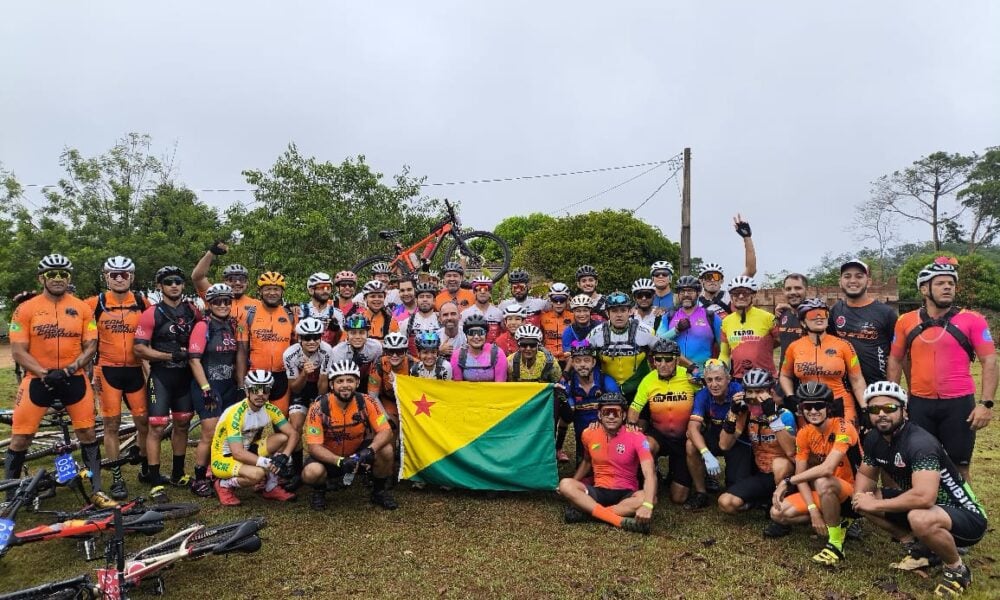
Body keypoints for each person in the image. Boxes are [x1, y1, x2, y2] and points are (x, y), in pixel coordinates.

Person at [852, 382, 988, 596]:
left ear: (904, 411)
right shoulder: (873, 439)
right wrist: (861, 497)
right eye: (874, 409)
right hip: (930, 507)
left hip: (966, 516)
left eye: (889, 408)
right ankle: (919, 548)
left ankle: (957, 569)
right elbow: (866, 474)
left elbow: (925, 497)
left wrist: (876, 504)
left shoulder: (920, 443)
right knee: (863, 499)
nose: (881, 414)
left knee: (919, 516)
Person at [6, 254, 112, 507]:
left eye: (63, 274)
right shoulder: (25, 309)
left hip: (72, 379)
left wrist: (70, 368)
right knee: (21, 437)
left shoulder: (83, 308)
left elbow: (91, 345)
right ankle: (10, 496)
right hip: (37, 380)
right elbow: (18, 351)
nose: (57, 278)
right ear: (41, 278)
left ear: (69, 278)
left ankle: (97, 489)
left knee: (87, 432)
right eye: (51, 274)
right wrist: (44, 373)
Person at [887, 258, 996, 482]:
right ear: (924, 289)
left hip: (959, 405)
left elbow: (990, 361)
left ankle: (964, 514)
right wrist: (894, 401)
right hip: (919, 404)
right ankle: (925, 510)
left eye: (951, 283)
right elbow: (895, 360)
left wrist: (986, 404)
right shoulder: (905, 321)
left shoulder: (972, 319)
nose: (948, 287)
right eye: (940, 283)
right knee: (920, 463)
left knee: (959, 467)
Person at [769, 382, 862, 561]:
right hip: (824, 492)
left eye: (818, 406)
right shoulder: (804, 433)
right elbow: (802, 476)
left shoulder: (844, 427)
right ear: (801, 409)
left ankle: (835, 544)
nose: (813, 411)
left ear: (828, 408)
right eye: (807, 407)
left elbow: (827, 468)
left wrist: (788, 481)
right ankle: (837, 522)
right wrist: (813, 511)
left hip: (853, 492)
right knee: (778, 513)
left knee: (823, 480)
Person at [85, 255, 149, 500]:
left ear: (131, 277)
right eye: (114, 274)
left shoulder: (143, 302)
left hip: (135, 371)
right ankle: (116, 477)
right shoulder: (95, 303)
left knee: (143, 422)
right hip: (107, 370)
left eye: (124, 274)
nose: (119, 278)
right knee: (111, 426)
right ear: (106, 277)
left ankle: (145, 466)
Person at [134, 266, 201, 488]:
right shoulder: (152, 312)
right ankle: (154, 479)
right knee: (157, 427)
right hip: (162, 376)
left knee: (182, 424)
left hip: (185, 377)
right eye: (168, 282)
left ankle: (178, 473)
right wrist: (168, 355)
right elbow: (140, 349)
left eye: (178, 282)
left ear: (183, 285)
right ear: (159, 286)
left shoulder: (192, 311)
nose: (174, 285)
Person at [302, 360, 397, 510]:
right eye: (340, 381)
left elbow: (386, 431)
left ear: (357, 382)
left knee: (386, 450)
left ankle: (379, 491)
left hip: (358, 455)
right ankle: (319, 491)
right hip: (330, 457)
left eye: (350, 380)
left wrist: (370, 450)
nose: (345, 385)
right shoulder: (318, 408)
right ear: (332, 385)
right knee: (311, 472)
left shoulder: (367, 401)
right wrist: (339, 461)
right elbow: (314, 447)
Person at [557, 393, 656, 534]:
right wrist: (574, 482)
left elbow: (649, 473)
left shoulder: (637, 437)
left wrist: (647, 505)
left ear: (623, 416)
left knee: (649, 498)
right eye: (606, 412)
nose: (610, 416)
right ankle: (617, 520)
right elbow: (586, 461)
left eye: (615, 412)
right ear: (599, 415)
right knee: (566, 484)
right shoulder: (588, 434)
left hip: (626, 493)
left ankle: (590, 513)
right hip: (598, 491)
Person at [717, 368, 796, 530]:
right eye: (749, 392)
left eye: (759, 391)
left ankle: (782, 517)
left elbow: (790, 451)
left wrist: (772, 417)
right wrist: (732, 414)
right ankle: (762, 500)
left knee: (779, 464)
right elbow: (724, 445)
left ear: (770, 392)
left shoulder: (784, 414)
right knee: (726, 503)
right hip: (761, 473)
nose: (753, 397)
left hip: (786, 475)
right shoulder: (746, 414)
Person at [187, 283, 245, 497]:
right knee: (209, 433)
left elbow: (238, 356)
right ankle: (199, 478)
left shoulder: (232, 324)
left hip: (228, 385)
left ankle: (218, 471)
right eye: (217, 301)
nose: (222, 305)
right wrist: (205, 388)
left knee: (228, 432)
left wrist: (240, 386)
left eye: (226, 301)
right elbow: (193, 360)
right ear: (209, 303)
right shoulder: (203, 326)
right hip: (208, 386)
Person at [210, 370, 299, 506]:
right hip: (224, 458)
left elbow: (293, 433)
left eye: (265, 390)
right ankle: (223, 484)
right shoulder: (236, 414)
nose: (260, 394)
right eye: (255, 390)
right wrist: (268, 463)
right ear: (247, 392)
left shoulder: (270, 409)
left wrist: (284, 457)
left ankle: (270, 487)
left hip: (247, 451)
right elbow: (238, 453)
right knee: (257, 474)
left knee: (283, 438)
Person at [627, 339, 699, 505]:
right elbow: (635, 407)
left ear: (676, 359)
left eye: (668, 359)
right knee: (646, 444)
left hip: (683, 438)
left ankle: (681, 471)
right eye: (658, 359)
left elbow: (706, 398)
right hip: (659, 434)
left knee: (678, 498)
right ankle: (651, 474)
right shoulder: (648, 380)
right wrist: (632, 424)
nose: (662, 364)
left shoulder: (688, 377)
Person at [779, 298, 867, 425]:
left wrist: (864, 408)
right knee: (811, 443)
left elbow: (857, 379)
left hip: (840, 404)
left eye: (824, 314)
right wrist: (790, 396)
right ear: (803, 323)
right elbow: (785, 375)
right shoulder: (794, 347)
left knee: (844, 442)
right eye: (812, 315)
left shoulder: (844, 345)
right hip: (809, 407)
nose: (819, 318)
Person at [684, 359, 754, 510]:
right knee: (691, 445)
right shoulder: (703, 395)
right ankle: (701, 493)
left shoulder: (738, 392)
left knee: (735, 495)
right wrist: (706, 453)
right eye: (709, 380)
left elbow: (734, 435)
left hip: (737, 439)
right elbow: (692, 428)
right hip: (715, 434)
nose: (714, 384)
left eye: (718, 379)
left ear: (728, 378)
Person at [282, 317, 334, 487]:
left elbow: (323, 382)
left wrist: (319, 405)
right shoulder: (290, 354)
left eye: (315, 337)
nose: (312, 341)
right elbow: (295, 389)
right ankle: (297, 472)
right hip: (300, 387)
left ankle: (327, 467)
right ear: (299, 339)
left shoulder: (327, 350)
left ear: (321, 337)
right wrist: (304, 373)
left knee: (326, 425)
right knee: (295, 426)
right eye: (307, 338)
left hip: (319, 385)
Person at [829, 259, 897, 385]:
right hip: (843, 387)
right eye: (847, 276)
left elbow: (898, 355)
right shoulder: (836, 310)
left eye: (859, 276)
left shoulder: (886, 313)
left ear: (869, 282)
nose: (853, 281)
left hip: (877, 387)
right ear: (840, 282)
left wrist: (893, 389)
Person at [237, 271, 295, 415]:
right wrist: (240, 383)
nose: (272, 293)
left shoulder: (290, 315)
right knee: (252, 425)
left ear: (282, 292)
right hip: (256, 375)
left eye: (276, 289)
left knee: (281, 422)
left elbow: (297, 347)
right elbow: (242, 351)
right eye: (267, 288)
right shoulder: (248, 315)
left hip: (282, 376)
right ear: (260, 291)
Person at [587, 291, 658, 400]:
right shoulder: (596, 333)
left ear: (630, 311)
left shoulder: (646, 331)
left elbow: (666, 350)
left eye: (623, 310)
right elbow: (581, 353)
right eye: (614, 311)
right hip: (608, 389)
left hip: (639, 387)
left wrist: (690, 367)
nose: (619, 315)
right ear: (607, 313)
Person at [560, 340, 621, 463]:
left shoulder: (606, 382)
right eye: (577, 361)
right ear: (573, 363)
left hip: (606, 433)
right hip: (582, 437)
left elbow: (618, 409)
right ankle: (557, 449)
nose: (582, 364)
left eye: (586, 360)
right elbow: (564, 417)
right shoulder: (569, 384)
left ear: (593, 362)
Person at [697, 214, 758, 319]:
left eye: (716, 277)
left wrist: (747, 237)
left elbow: (751, 270)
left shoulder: (729, 296)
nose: (712, 280)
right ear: (701, 280)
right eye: (708, 277)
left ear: (722, 281)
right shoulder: (695, 302)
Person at [718, 276, 778, 380]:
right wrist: (719, 369)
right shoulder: (726, 322)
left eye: (745, 292)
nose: (741, 296)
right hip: (738, 378)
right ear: (731, 297)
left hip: (765, 378)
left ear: (753, 295)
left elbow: (783, 343)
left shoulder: (768, 317)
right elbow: (724, 354)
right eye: (736, 293)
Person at [658, 275, 722, 371]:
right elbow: (657, 342)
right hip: (674, 374)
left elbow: (724, 349)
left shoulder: (711, 317)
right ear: (678, 294)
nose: (686, 294)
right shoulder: (668, 316)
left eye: (690, 291)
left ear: (698, 293)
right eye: (682, 291)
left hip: (702, 374)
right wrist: (676, 330)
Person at [191, 242, 262, 323]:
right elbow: (197, 277)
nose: (238, 283)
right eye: (232, 279)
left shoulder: (257, 305)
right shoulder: (214, 295)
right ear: (224, 282)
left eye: (242, 279)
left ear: (247, 283)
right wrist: (211, 253)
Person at [368, 332, 414, 429]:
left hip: (409, 403)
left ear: (406, 351)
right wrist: (386, 418)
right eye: (390, 351)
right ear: (384, 351)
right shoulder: (379, 364)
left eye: (400, 351)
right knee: (385, 426)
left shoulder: (414, 365)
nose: (394, 355)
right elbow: (373, 396)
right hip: (388, 403)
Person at [330, 314, 383, 391]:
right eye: (353, 333)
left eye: (361, 332)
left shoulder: (376, 347)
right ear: (347, 334)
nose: (357, 337)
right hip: (345, 383)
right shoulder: (337, 351)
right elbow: (336, 380)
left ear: (367, 334)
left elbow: (377, 372)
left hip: (366, 380)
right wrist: (351, 364)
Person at [451, 314, 507, 382]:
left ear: (486, 334)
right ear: (466, 335)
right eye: (471, 333)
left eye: (480, 332)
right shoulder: (458, 355)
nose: (476, 336)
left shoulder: (497, 353)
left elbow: (500, 385)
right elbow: (458, 386)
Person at [297, 272, 344, 346]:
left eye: (328, 287)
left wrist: (337, 330)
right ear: (311, 290)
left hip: (327, 355)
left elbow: (341, 342)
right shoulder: (300, 311)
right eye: (321, 287)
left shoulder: (337, 313)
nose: (325, 291)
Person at [774, 273, 808, 370]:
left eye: (798, 288)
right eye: (788, 289)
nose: (793, 292)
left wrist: (788, 306)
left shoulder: (815, 313)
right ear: (783, 291)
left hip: (807, 375)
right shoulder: (782, 313)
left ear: (806, 289)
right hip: (784, 373)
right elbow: (779, 340)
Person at [400, 282, 441, 354]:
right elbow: (402, 348)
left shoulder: (441, 321)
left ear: (434, 301)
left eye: (428, 297)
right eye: (421, 297)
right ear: (416, 300)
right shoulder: (407, 323)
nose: (425, 299)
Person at [460, 276, 504, 342]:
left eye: (486, 289)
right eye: (479, 289)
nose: (482, 292)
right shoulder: (465, 314)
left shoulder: (499, 313)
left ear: (490, 293)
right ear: (474, 292)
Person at [539, 283, 572, 366]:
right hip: (548, 358)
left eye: (562, 299)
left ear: (567, 300)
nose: (558, 303)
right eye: (555, 299)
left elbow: (580, 339)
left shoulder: (573, 317)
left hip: (567, 359)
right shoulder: (543, 317)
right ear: (550, 300)